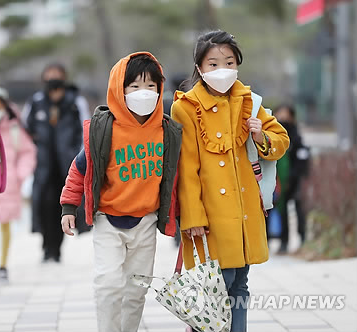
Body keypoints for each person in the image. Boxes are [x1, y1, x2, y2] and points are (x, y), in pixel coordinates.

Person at [171, 31, 290, 332]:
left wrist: (260, 135)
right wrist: (193, 216)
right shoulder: (185, 107)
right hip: (210, 216)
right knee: (216, 287)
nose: (222, 69)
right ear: (199, 68)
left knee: (240, 285)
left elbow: (281, 140)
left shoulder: (249, 100)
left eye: (228, 62)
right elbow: (187, 168)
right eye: (213, 63)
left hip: (245, 212)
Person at [60, 52, 182, 332]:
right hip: (108, 221)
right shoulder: (105, 130)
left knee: (137, 288)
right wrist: (69, 207)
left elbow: (176, 178)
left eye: (151, 86)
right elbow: (79, 169)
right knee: (108, 283)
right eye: (135, 86)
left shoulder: (166, 131)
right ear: (119, 88)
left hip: (146, 223)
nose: (144, 93)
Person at [22, 63, 90, 262]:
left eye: (57, 74)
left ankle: (57, 249)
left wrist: (77, 155)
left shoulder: (75, 101)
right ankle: (46, 247)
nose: (53, 78)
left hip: (67, 165)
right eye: (49, 74)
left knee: (63, 207)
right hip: (43, 165)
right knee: (44, 206)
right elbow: (26, 127)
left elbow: (85, 127)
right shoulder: (36, 101)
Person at [0, 86, 36, 286]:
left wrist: (19, 175)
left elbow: (28, 152)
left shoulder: (14, 129)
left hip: (9, 186)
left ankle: (2, 266)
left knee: (5, 225)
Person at [272, 104, 310, 254]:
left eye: (285, 114)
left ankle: (302, 238)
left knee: (298, 210)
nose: (281, 117)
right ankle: (283, 241)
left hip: (294, 181)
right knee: (280, 211)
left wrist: (295, 176)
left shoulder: (295, 135)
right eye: (279, 113)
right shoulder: (273, 133)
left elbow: (302, 158)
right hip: (278, 182)